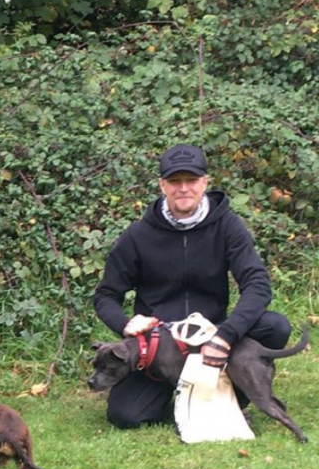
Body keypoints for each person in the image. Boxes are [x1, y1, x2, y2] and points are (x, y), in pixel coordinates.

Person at [93, 143, 291, 429]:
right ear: (162, 185)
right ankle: (180, 399)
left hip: (213, 339)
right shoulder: (137, 236)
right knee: (125, 416)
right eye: (174, 181)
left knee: (275, 326)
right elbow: (105, 295)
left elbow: (257, 284)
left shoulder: (227, 226)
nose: (183, 188)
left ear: (205, 183)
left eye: (191, 180)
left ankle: (232, 397)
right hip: (159, 350)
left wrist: (226, 335)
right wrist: (125, 324)